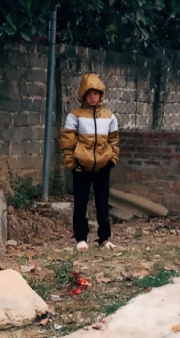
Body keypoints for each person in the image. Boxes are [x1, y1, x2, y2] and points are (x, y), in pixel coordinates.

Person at [60, 73, 120, 251]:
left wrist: (112, 160)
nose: (93, 97)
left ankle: (104, 238)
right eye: (89, 93)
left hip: (103, 166)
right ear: (83, 95)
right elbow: (67, 142)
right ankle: (81, 238)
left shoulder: (109, 116)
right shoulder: (75, 116)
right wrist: (73, 164)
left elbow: (114, 140)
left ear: (101, 94)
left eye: (96, 93)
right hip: (81, 167)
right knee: (81, 202)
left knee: (103, 203)